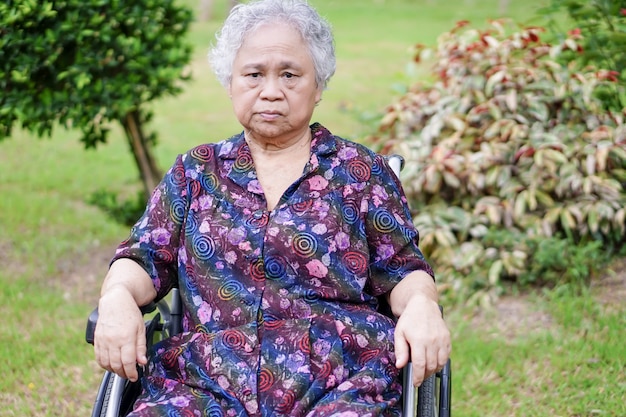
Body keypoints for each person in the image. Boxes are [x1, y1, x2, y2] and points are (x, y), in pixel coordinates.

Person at [93, 0, 451, 415]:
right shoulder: (195, 172)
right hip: (206, 380)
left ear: (318, 86)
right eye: (254, 74)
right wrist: (117, 296)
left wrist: (423, 304)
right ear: (231, 82)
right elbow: (142, 257)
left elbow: (404, 271)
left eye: (289, 74)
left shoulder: (360, 172)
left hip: (341, 378)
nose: (270, 91)